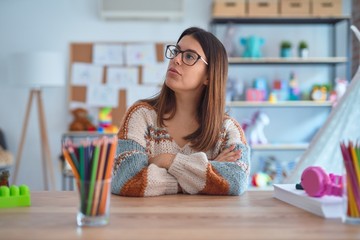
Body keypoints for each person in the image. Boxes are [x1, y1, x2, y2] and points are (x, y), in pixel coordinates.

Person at [111, 27, 250, 197]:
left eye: (189, 56)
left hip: (206, 222)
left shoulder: (228, 129)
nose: (176, 59)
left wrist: (167, 160)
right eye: (176, 51)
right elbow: (126, 180)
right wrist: (208, 173)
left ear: (209, 76)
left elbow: (236, 181)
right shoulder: (140, 115)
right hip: (150, 222)